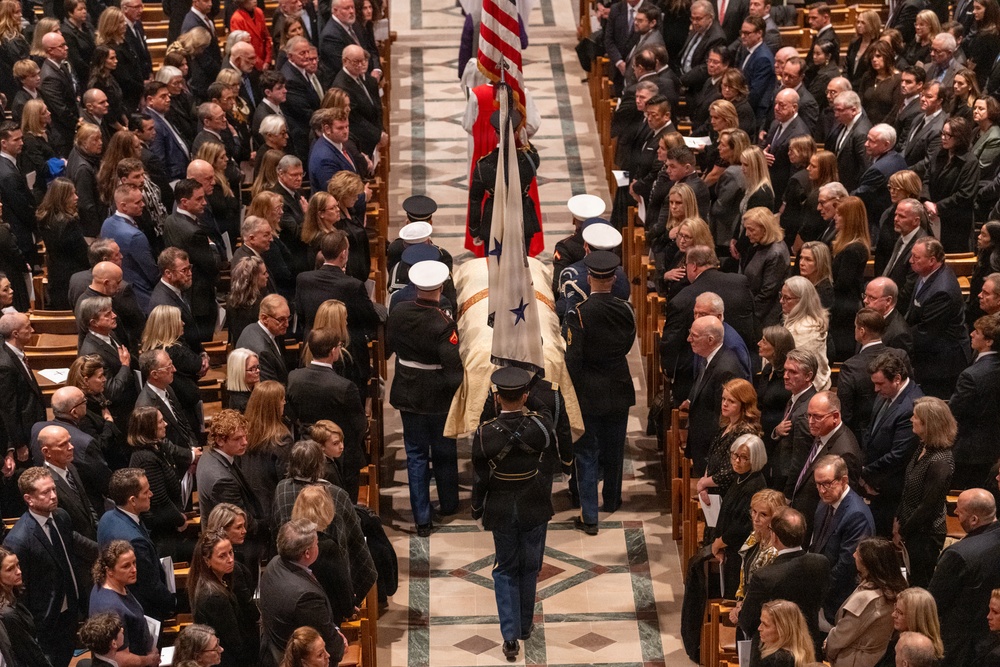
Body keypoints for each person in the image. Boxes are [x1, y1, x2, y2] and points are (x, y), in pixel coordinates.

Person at [471, 367, 557, 661]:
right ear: (525, 395)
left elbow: (481, 477)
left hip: (502, 507)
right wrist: (530, 392)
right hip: (534, 503)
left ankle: (509, 637)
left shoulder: (485, 434)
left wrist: (476, 507)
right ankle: (524, 625)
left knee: (505, 570)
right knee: (530, 567)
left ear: (496, 398)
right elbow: (546, 409)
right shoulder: (542, 426)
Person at [386, 260, 462, 536]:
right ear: (440, 288)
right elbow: (452, 367)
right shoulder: (444, 322)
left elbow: (390, 346)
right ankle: (449, 503)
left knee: (415, 454)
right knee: (444, 450)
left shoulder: (399, 311)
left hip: (408, 390)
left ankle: (422, 519)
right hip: (438, 395)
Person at [681, 433, 768, 662]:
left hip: (737, 552)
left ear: (756, 460)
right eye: (735, 456)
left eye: (744, 458)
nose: (737, 461)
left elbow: (742, 526)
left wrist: (719, 543)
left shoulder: (755, 485)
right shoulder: (740, 479)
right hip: (726, 547)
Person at [3, 467, 97, 667]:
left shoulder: (61, 517)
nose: (54, 496)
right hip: (45, 622)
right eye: (46, 492)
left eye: (54, 489)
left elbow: (72, 548)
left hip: (70, 610)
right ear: (29, 498)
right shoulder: (19, 540)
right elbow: (20, 588)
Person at [739, 507, 831, 657]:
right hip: (808, 646)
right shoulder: (821, 562)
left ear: (774, 536)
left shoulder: (764, 576)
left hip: (772, 652)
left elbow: (747, 622)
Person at [286, 329, 367, 501]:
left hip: (307, 450)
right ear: (333, 351)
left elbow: (290, 414)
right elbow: (360, 426)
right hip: (341, 459)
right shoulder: (344, 386)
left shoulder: (294, 377)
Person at [258, 519, 346, 667]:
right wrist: (341, 645)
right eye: (316, 544)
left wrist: (335, 629)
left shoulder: (274, 563)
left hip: (273, 647)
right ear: (307, 553)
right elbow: (326, 641)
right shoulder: (306, 597)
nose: (318, 546)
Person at [96, 468, 176, 621]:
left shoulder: (107, 517)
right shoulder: (134, 541)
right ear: (133, 500)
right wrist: (173, 602)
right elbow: (150, 586)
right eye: (146, 492)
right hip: (143, 611)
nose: (151, 494)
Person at [893, 396, 956, 587]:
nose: (911, 419)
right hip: (910, 529)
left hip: (925, 536)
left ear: (928, 423)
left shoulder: (940, 461)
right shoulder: (923, 446)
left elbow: (927, 507)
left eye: (915, 417)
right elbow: (907, 491)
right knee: (907, 579)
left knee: (919, 585)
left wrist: (902, 531)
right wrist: (897, 520)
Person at [195, 410, 266, 562]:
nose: (245, 442)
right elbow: (238, 522)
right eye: (238, 438)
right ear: (220, 440)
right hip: (236, 553)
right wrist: (267, 526)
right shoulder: (221, 480)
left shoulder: (209, 456)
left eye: (245, 436)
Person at [825, 537, 907, 667]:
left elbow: (842, 635)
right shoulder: (895, 589)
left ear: (867, 562)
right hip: (878, 656)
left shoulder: (867, 598)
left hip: (854, 660)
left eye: (857, 553)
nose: (853, 555)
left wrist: (828, 646)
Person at [907, 237, 973, 398]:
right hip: (932, 354)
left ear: (932, 260)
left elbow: (927, 332)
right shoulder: (927, 273)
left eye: (916, 257)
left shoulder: (941, 291)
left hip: (943, 363)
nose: (910, 260)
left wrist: (900, 336)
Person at [125, 406, 192, 560]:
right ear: (149, 428)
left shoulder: (158, 448)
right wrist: (180, 519)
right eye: (161, 421)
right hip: (162, 533)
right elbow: (159, 500)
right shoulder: (146, 458)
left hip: (169, 525)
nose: (165, 424)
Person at [187, 530, 259, 667]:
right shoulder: (214, 596)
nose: (230, 559)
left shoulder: (212, 580)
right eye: (222, 556)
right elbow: (234, 642)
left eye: (231, 552)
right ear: (207, 560)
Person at [88, 540, 159, 667]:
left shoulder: (115, 584)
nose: (134, 569)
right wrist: (149, 660)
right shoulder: (111, 608)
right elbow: (120, 658)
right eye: (126, 566)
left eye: (134, 563)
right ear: (109, 570)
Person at [695, 378, 763, 506]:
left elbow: (730, 472)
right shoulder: (726, 425)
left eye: (731, 401)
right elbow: (711, 458)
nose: (724, 404)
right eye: (723, 399)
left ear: (744, 404)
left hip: (729, 496)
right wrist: (704, 483)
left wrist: (704, 483)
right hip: (713, 490)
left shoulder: (745, 432)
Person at [950, 315, 1000, 488]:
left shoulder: (971, 376)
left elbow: (955, 412)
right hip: (992, 444)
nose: (971, 334)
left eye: (977, 332)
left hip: (968, 450)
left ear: (989, 341)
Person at [923, 117, 979, 252]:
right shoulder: (939, 154)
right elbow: (926, 179)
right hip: (931, 215)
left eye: (948, 135)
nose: (943, 137)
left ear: (960, 137)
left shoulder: (970, 162)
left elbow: (965, 194)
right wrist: (926, 200)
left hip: (955, 222)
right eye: (942, 133)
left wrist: (938, 207)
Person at [241, 381, 293, 527]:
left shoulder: (244, 434)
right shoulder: (282, 439)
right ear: (273, 406)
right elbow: (285, 480)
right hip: (273, 510)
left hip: (249, 507)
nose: (284, 402)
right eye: (282, 399)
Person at [0, 544, 57, 665]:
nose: (19, 572)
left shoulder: (14, 593)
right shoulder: (7, 614)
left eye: (18, 565)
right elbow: (30, 653)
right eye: (10, 569)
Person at [740, 207, 789, 329]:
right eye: (746, 229)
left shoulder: (776, 253)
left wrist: (748, 315)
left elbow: (768, 293)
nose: (746, 234)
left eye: (751, 229)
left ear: (765, 229)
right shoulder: (759, 245)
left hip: (765, 318)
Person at [780, 276, 831, 390]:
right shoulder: (794, 321)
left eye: (786, 298)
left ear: (801, 301)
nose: (781, 301)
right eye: (781, 296)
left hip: (810, 391)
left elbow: (801, 367)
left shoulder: (806, 329)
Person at [875, 587, 945, 667]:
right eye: (895, 609)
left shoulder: (922, 653)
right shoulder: (898, 637)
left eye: (900, 612)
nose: (893, 615)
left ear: (916, 618)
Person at [235, 294, 291, 384]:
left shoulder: (251, 328)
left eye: (288, 318)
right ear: (264, 318)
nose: (287, 324)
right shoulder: (263, 352)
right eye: (281, 319)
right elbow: (270, 389)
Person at [758, 599, 817, 666]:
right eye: (761, 622)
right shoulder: (804, 654)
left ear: (782, 630)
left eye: (765, 625)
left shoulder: (775, 661)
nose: (759, 628)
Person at [859, 42, 902, 125]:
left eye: (878, 56)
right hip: (865, 125)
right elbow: (860, 102)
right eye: (872, 57)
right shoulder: (867, 77)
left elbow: (895, 109)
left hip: (886, 128)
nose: (874, 60)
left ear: (887, 56)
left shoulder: (898, 79)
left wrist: (880, 128)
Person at [798, 241, 834, 309]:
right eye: (801, 258)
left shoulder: (825, 293)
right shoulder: (802, 285)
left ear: (820, 262)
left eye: (808, 260)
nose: (801, 263)